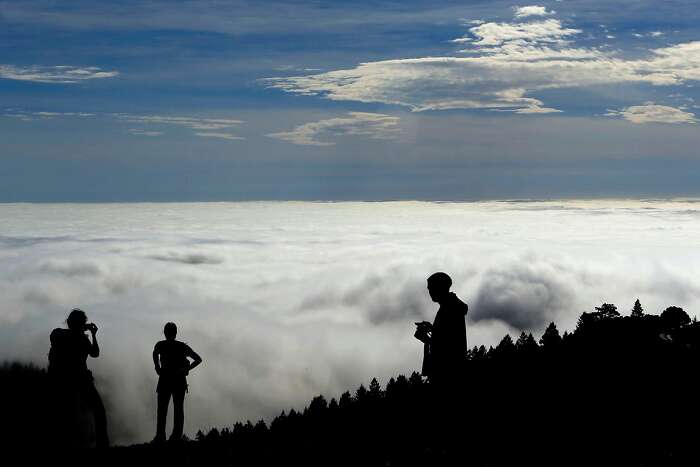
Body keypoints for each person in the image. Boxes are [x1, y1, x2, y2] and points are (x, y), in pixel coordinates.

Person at [48, 308, 109, 448]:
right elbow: (95, 353)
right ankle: (102, 445)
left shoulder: (59, 335)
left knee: (67, 415)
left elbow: (55, 335)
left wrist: (81, 330)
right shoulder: (81, 339)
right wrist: (93, 335)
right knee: (98, 411)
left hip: (62, 381)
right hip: (81, 380)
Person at [414, 272, 468, 387]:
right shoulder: (451, 306)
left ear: (440, 288)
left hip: (447, 375)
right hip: (452, 372)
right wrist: (433, 328)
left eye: (431, 288)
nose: (429, 292)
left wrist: (426, 339)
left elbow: (448, 346)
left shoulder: (449, 309)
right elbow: (449, 334)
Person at [152, 322, 202, 444]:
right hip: (179, 381)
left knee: (162, 410)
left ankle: (160, 436)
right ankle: (175, 436)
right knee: (178, 409)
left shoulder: (161, 345)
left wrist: (157, 367)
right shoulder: (182, 347)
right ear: (175, 332)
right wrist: (186, 369)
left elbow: (155, 353)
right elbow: (198, 359)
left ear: (165, 332)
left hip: (164, 380)